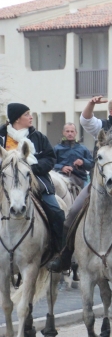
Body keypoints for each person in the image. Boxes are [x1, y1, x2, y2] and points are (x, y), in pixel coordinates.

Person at [48, 96, 112, 272]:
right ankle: (65, 257)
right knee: (72, 213)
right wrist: (91, 104)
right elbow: (85, 121)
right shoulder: (101, 127)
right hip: (100, 184)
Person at [0, 103, 65, 257]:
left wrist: (30, 170)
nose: (31, 117)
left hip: (35, 179)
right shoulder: (1, 136)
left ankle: (59, 252)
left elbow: (50, 158)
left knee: (56, 211)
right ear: (17, 118)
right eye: (27, 114)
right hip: (4, 180)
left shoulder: (38, 137)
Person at [53, 123, 93, 189]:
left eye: (72, 131)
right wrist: (61, 167)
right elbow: (50, 164)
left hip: (81, 179)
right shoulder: (56, 148)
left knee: (89, 195)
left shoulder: (83, 149)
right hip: (61, 179)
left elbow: (92, 165)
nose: (70, 133)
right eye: (67, 131)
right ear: (63, 132)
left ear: (76, 133)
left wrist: (83, 162)